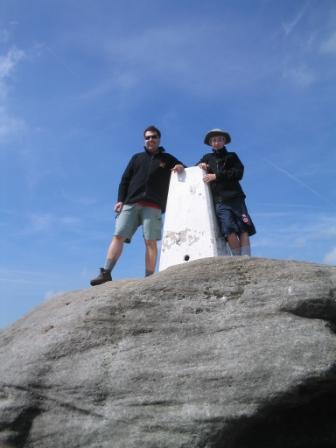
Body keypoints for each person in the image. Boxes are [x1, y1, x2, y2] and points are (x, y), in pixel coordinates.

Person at [90, 125, 185, 286]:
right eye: (147, 137)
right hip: (131, 203)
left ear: (159, 139)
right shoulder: (136, 158)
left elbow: (185, 169)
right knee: (118, 235)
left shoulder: (167, 159)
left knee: (150, 241)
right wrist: (120, 200)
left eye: (153, 136)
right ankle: (106, 272)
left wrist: (180, 167)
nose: (150, 140)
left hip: (154, 205)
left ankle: (149, 278)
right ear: (144, 140)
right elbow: (125, 180)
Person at [197, 128, 256, 256]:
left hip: (236, 198)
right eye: (213, 140)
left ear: (224, 141)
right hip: (219, 201)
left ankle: (246, 258)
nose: (216, 142)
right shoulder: (207, 158)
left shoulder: (232, 156)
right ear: (210, 143)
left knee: (243, 227)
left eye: (219, 139)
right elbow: (195, 170)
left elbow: (238, 173)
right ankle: (237, 259)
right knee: (228, 229)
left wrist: (216, 176)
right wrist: (201, 165)